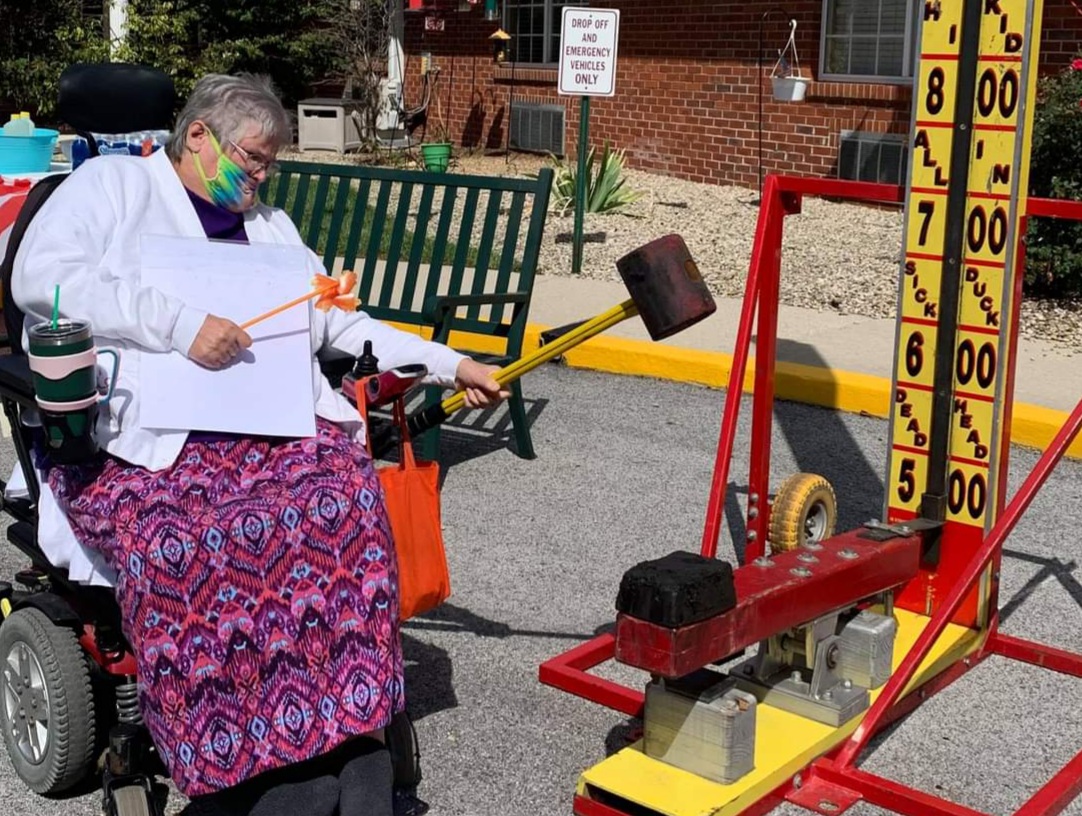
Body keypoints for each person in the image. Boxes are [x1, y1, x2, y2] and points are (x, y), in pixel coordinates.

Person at [11, 73, 508, 815]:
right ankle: (227, 752)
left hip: (264, 435)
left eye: (271, 163)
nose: (263, 177)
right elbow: (41, 281)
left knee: (345, 500)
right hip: (145, 443)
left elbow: (338, 323)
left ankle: (338, 726)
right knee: (184, 540)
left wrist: (452, 363)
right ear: (198, 136)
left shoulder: (270, 230)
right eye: (253, 158)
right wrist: (179, 325)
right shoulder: (111, 188)